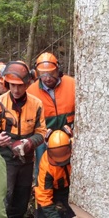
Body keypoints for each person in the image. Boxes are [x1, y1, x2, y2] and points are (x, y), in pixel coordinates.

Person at [0, 60, 47, 218]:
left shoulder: (36, 104)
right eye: (12, 85)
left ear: (27, 84)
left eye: (20, 86)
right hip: (4, 161)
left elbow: (41, 132)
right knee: (3, 201)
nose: (16, 90)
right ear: (7, 83)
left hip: (26, 160)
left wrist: (29, 142)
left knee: (20, 203)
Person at [27, 52, 75, 180]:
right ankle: (42, 193)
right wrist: (40, 132)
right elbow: (29, 120)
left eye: (51, 73)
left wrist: (74, 129)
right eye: (43, 74)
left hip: (69, 133)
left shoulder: (72, 84)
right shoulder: (31, 91)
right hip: (45, 137)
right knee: (43, 168)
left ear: (58, 70)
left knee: (73, 166)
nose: (47, 78)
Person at [30, 127, 76, 218]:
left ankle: (63, 215)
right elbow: (44, 196)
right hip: (52, 190)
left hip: (70, 189)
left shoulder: (77, 150)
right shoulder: (46, 165)